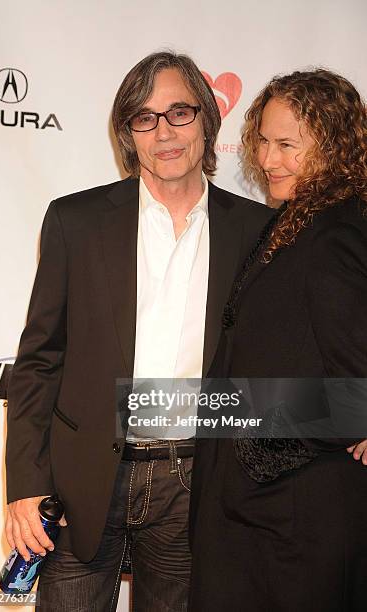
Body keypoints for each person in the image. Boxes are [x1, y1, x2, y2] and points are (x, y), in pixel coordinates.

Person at [4, 51, 272, 611]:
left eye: (179, 112)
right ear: (128, 132)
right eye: (145, 118)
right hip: (82, 481)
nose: (164, 133)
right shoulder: (73, 221)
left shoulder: (257, 231)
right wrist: (26, 484)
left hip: (196, 485)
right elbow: (39, 360)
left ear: (207, 120)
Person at [189, 68, 367, 612]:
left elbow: (354, 397)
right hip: (259, 510)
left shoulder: (339, 233)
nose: (268, 160)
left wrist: (237, 418)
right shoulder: (294, 221)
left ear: (334, 147)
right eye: (263, 141)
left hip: (292, 521)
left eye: (287, 145)